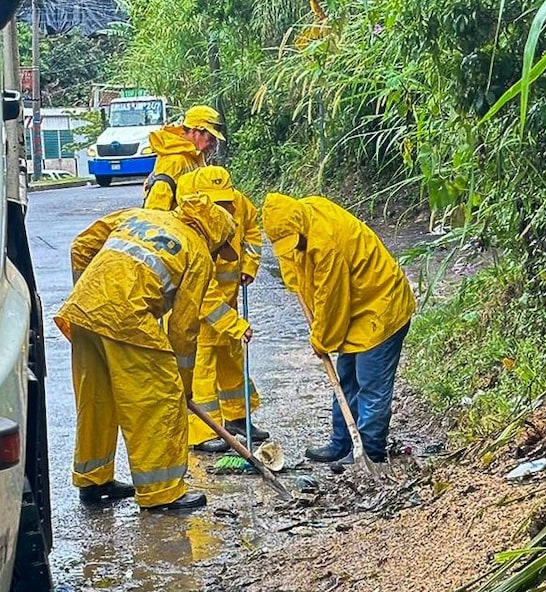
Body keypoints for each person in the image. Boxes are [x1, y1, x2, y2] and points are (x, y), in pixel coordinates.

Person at [54, 194, 237, 511]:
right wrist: (181, 384)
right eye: (220, 248)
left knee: (97, 398)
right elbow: (183, 329)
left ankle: (93, 481)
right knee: (157, 400)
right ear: (214, 235)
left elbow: (81, 247)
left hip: (83, 310)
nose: (217, 254)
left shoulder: (141, 216)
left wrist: (91, 292)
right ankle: (161, 493)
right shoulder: (197, 253)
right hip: (128, 319)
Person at [262, 193, 416, 463]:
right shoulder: (301, 220)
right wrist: (294, 282)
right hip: (357, 306)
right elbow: (293, 262)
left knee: (370, 384)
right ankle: (342, 443)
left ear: (299, 225)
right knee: (346, 380)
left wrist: (320, 339)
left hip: (380, 305)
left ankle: (369, 451)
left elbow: (332, 300)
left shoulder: (326, 242)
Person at [173, 167, 269, 453]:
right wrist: (237, 324)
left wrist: (249, 266)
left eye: (226, 199)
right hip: (198, 311)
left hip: (228, 299)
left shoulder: (239, 203)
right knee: (201, 370)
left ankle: (238, 418)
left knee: (232, 359)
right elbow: (203, 296)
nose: (224, 207)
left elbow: (252, 231)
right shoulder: (192, 222)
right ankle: (203, 432)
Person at [142, 104, 225, 211]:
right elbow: (155, 210)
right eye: (211, 138)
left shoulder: (194, 156)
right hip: (174, 225)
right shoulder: (173, 160)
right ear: (195, 132)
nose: (213, 143)